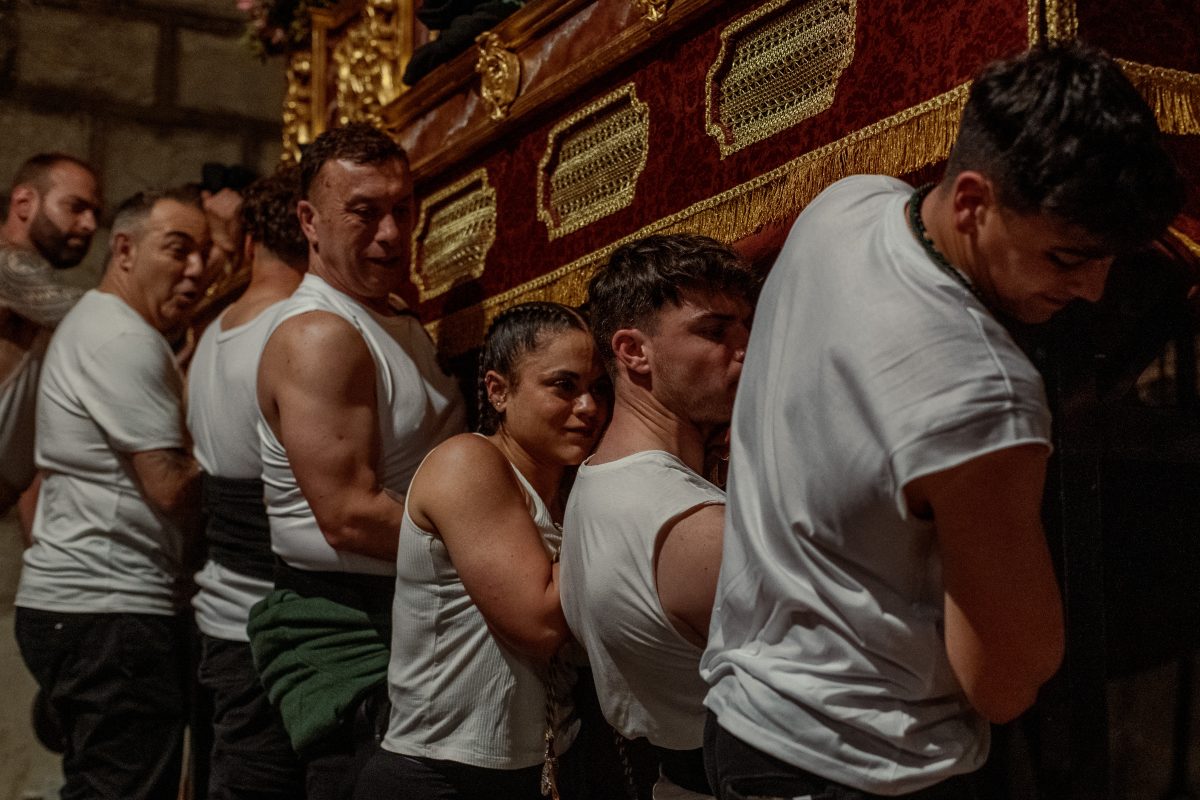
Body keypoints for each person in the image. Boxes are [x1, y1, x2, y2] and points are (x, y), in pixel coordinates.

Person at [701, 43, 1185, 799]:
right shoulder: (982, 391)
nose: (1093, 289)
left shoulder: (843, 207)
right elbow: (1005, 677)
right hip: (868, 762)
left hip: (748, 727)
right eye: (1066, 257)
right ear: (971, 202)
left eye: (1109, 260)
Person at [249, 122, 465, 799]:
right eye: (365, 212)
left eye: (403, 208)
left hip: (411, 607)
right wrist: (503, 553)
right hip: (353, 624)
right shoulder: (320, 334)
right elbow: (349, 516)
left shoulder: (390, 311)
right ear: (310, 220)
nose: (393, 233)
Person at [355, 300, 610, 799]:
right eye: (564, 386)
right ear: (498, 390)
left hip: (544, 767)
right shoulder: (466, 463)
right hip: (437, 777)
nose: (589, 407)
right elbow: (537, 624)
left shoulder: (566, 490)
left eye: (599, 389)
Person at [14, 186, 210, 800]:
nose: (198, 270)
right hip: (108, 608)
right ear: (124, 250)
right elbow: (172, 488)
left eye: (206, 253)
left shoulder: (124, 332)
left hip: (98, 606)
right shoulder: (118, 338)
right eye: (178, 250)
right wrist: (243, 439)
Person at [559, 233, 758, 799]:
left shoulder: (590, 488)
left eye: (746, 326)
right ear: (633, 351)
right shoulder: (693, 524)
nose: (745, 347)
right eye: (716, 331)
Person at [187, 168, 309, 800]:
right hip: (275, 617)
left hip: (225, 610)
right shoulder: (298, 332)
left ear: (246, 242)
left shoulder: (213, 332)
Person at [0, 153, 100, 515]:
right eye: (76, 207)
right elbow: (97, 316)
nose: (89, 224)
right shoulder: (6, 265)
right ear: (24, 203)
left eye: (95, 213)